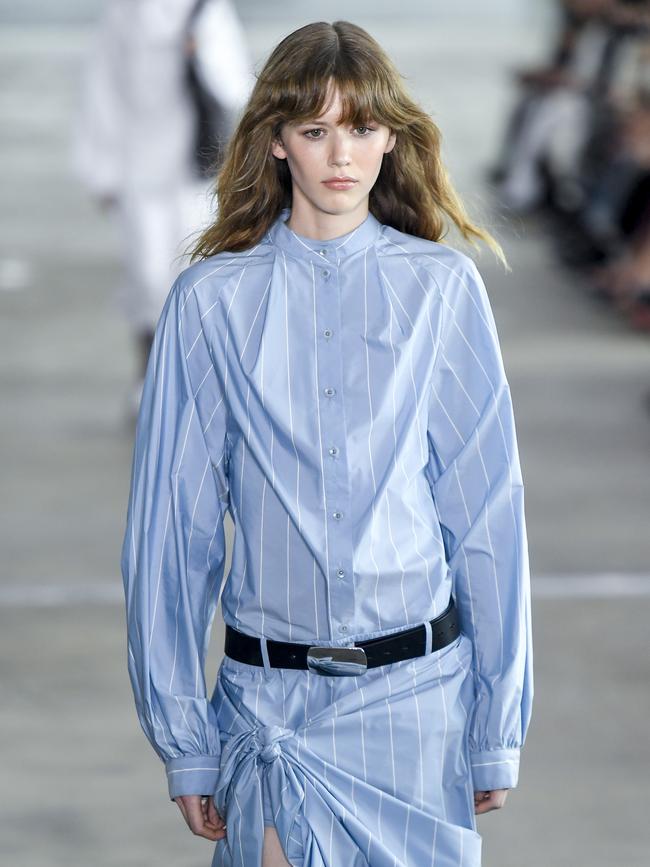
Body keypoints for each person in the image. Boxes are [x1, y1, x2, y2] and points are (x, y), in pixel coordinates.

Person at [120, 20, 534, 867]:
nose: (340, 155)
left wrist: (498, 718)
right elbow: (171, 535)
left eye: (361, 128)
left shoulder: (441, 290)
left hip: (418, 705)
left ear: (391, 138)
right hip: (272, 708)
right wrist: (184, 734)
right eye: (315, 131)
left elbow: (486, 513)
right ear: (277, 143)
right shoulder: (210, 304)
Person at [71, 0, 253, 418]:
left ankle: (200, 377)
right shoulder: (121, 12)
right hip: (137, 166)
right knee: (147, 276)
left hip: (195, 168)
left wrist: (200, 49)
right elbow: (101, 87)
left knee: (197, 273)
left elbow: (235, 83)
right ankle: (148, 375)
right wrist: (101, 170)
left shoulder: (208, 10)